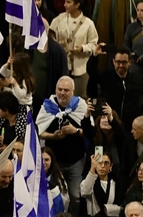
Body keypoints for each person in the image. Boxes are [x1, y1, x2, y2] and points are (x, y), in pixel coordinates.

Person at [36, 76, 87, 213]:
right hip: (54, 162)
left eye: (66, 90)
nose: (62, 93)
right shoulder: (47, 106)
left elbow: (90, 132)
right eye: (60, 89)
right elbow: (39, 131)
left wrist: (75, 131)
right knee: (57, 196)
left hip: (75, 161)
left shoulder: (81, 106)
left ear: (73, 91)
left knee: (76, 196)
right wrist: (53, 136)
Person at [50, 0, 98, 96]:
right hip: (62, 67)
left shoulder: (88, 24)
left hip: (80, 69)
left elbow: (94, 44)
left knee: (80, 98)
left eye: (68, 2)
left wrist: (82, 48)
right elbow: (50, 37)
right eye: (65, 1)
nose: (64, 5)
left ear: (77, 5)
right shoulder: (58, 20)